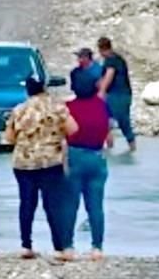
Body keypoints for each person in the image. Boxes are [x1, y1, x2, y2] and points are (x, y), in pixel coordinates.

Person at [4, 76, 79, 261]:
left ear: (27, 90)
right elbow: (73, 129)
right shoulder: (58, 107)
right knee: (53, 204)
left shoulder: (19, 110)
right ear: (44, 88)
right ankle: (59, 247)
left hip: (24, 163)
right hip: (50, 162)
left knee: (27, 203)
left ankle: (26, 245)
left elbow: (9, 138)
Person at [65, 68, 112, 261]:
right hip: (97, 157)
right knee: (96, 206)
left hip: (74, 156)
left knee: (69, 205)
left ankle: (68, 247)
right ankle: (97, 248)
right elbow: (110, 138)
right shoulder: (102, 106)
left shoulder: (68, 107)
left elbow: (64, 134)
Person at [97, 37, 136, 152]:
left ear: (102, 49)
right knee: (106, 122)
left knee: (122, 121)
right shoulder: (118, 59)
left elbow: (109, 76)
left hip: (118, 95)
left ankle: (127, 147)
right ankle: (111, 148)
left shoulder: (111, 60)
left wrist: (101, 92)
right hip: (124, 94)